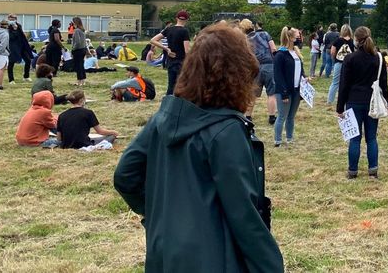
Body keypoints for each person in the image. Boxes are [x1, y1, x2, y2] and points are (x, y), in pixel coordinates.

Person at [113, 24, 284, 272]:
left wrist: (162, 217)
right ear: (237, 76)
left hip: (164, 254)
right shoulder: (227, 131)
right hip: (215, 260)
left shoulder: (163, 119)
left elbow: (126, 175)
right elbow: (244, 216)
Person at [336, 26, 388, 179]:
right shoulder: (378, 58)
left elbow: (344, 85)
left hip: (353, 101)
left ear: (356, 40)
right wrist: (387, 101)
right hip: (373, 102)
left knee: (355, 138)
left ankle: (353, 171)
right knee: (372, 138)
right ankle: (373, 169)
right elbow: (383, 83)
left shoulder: (350, 58)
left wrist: (340, 107)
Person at [272, 27, 307, 147]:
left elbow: (300, 70)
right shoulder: (280, 55)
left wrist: (304, 77)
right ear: (290, 38)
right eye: (297, 37)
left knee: (291, 116)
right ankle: (277, 140)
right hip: (285, 90)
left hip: (296, 90)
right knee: (282, 116)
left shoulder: (296, 53)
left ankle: (289, 138)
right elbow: (278, 76)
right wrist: (284, 93)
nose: (299, 39)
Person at [243, 18, 279, 125]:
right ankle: (272, 117)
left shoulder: (245, 39)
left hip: (255, 67)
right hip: (269, 65)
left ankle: (248, 117)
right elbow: (273, 49)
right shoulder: (265, 34)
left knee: (252, 93)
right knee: (271, 93)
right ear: (252, 26)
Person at [148, 10, 191, 95]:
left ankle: (169, 104)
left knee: (171, 85)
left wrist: (166, 49)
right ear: (186, 20)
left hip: (170, 61)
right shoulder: (184, 31)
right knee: (182, 85)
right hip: (181, 62)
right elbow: (187, 51)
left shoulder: (168, 29)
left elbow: (153, 40)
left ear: (176, 18)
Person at [328, 24, 356, 105]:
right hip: (350, 65)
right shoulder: (353, 41)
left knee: (335, 82)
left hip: (339, 63)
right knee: (348, 82)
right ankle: (347, 99)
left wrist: (335, 58)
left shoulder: (337, 40)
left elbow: (332, 52)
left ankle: (330, 100)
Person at [7, 14, 33, 82]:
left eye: (14, 18)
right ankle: (11, 79)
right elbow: (11, 37)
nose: (13, 20)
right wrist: (15, 30)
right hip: (13, 46)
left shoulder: (19, 25)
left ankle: (26, 76)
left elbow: (21, 34)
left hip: (22, 46)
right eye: (11, 19)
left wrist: (27, 42)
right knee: (11, 62)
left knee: (28, 60)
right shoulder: (7, 26)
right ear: (9, 19)